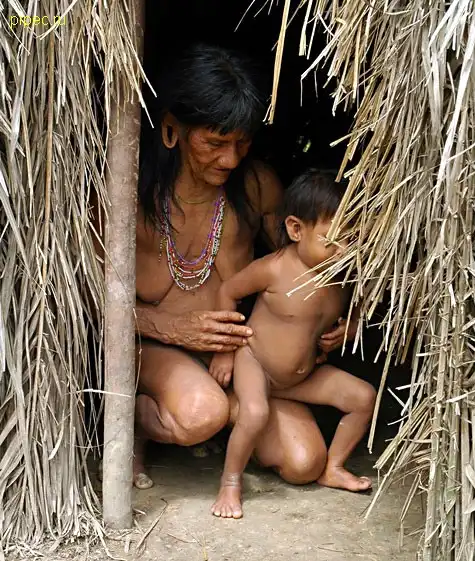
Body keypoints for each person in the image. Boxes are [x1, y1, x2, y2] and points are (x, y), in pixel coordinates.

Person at [133, 43, 358, 490]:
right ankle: (139, 420)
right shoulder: (128, 199)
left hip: (243, 359)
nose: (231, 159)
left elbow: (310, 267)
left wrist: (337, 323)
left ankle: (228, 417)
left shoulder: (257, 188)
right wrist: (170, 328)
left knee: (305, 462)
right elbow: (83, 304)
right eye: (215, 143)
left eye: (241, 142)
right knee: (202, 412)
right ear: (172, 129)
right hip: (155, 349)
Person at [208, 170, 376, 519]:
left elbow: (359, 306)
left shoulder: (344, 275)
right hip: (257, 364)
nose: (344, 250)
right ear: (296, 229)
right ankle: (230, 482)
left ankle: (333, 467)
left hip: (299, 379)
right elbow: (228, 291)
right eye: (333, 240)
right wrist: (224, 351)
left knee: (363, 397)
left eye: (352, 239)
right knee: (255, 412)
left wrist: (350, 328)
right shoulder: (275, 268)